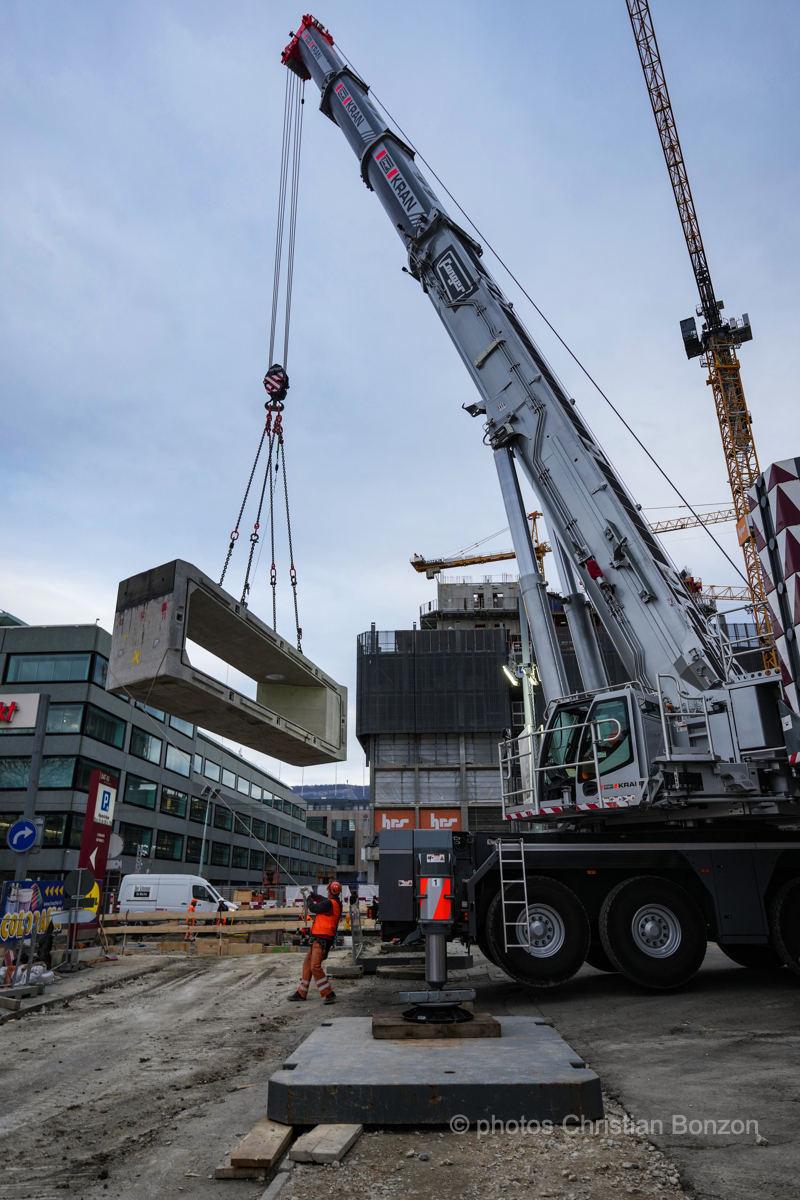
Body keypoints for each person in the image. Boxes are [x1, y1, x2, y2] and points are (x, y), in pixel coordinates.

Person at [288, 880, 342, 1005]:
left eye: (328, 890)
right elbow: (321, 898)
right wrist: (311, 893)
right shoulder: (334, 903)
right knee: (308, 964)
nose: (327, 892)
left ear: (330, 891)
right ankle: (301, 993)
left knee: (314, 967)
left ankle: (329, 993)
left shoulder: (329, 904)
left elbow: (313, 907)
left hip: (322, 940)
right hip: (319, 939)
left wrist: (308, 897)